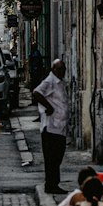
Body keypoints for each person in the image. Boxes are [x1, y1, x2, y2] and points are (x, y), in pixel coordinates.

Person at [32, 57, 69, 193]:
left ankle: (54, 183)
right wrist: (49, 107)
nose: (61, 71)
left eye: (63, 69)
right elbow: (36, 93)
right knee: (52, 158)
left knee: (57, 157)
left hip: (60, 127)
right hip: (51, 127)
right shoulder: (50, 81)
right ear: (53, 69)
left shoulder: (60, 83)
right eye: (59, 69)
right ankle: (51, 184)